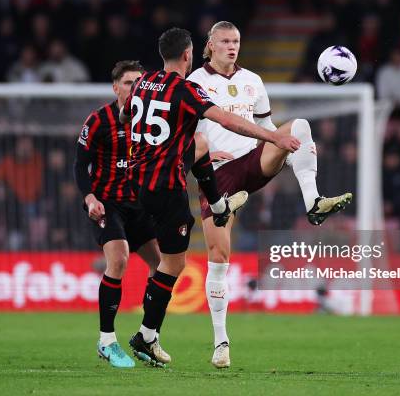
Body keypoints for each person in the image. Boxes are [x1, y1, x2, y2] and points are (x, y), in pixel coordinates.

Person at [121, 27, 300, 367]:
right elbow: (230, 121)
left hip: (136, 182)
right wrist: (272, 138)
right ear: (189, 55)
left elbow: (124, 114)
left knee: (200, 146)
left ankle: (219, 203)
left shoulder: (143, 82)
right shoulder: (187, 89)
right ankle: (145, 336)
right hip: (165, 187)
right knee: (173, 263)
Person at [188, 21, 353, 368]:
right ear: (210, 45)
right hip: (217, 175)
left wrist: (286, 148)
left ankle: (314, 201)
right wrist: (198, 153)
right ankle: (221, 341)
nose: (232, 47)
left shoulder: (253, 81)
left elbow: (266, 129)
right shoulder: (195, 83)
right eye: (225, 41)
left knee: (298, 127)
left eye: (236, 41)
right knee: (218, 255)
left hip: (252, 161)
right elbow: (183, 132)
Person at [73, 60, 168, 368]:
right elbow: (79, 163)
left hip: (138, 203)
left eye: (139, 81)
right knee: (119, 259)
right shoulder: (99, 120)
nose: (135, 86)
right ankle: (106, 340)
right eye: (128, 82)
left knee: (161, 264)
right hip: (106, 203)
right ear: (116, 88)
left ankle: (148, 336)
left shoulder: (151, 119)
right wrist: (89, 198)